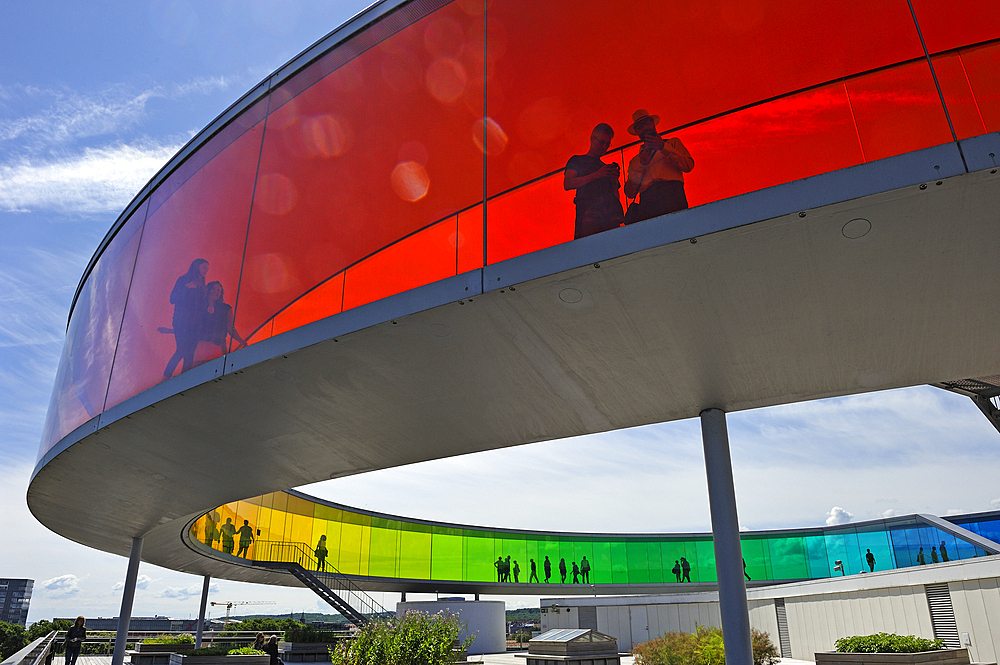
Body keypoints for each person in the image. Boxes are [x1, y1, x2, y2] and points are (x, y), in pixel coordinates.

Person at [624, 109, 694, 224]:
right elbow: (630, 193)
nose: (645, 128)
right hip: (647, 202)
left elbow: (688, 165)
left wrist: (663, 147)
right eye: (640, 126)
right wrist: (642, 165)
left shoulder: (672, 143)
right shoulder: (635, 161)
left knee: (677, 230)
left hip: (671, 195)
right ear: (637, 131)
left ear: (653, 123)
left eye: (647, 123)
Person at [564, 123, 624, 239]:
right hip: (588, 215)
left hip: (608, 218)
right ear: (592, 138)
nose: (604, 147)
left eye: (607, 144)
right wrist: (596, 175)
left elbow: (616, 198)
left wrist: (613, 182)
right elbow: (568, 184)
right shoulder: (577, 160)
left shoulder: (605, 169)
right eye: (601, 142)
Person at [163, 259, 209, 379]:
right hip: (182, 322)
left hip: (195, 324)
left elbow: (200, 305)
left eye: (207, 269)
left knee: (191, 352)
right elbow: (172, 299)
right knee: (182, 349)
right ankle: (165, 378)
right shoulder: (183, 280)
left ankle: (184, 379)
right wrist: (186, 288)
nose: (206, 271)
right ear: (197, 266)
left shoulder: (202, 286)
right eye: (204, 268)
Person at [201, 281, 246, 353]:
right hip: (200, 347)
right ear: (208, 290)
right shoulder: (200, 306)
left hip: (218, 347)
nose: (215, 291)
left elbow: (230, 328)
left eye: (218, 290)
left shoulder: (226, 309)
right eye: (213, 289)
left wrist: (241, 341)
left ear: (221, 293)